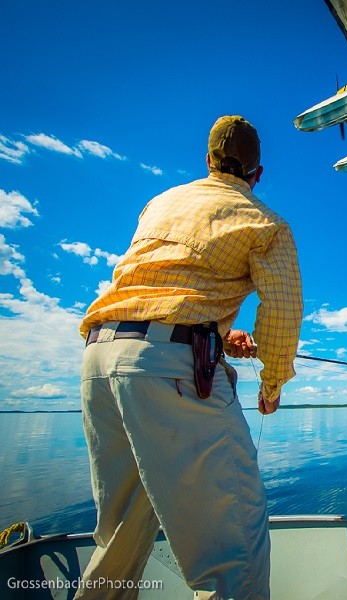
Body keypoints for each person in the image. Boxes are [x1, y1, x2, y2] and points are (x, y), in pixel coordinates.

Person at [76, 115, 303, 599]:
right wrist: (272, 385)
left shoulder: (160, 203)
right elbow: (282, 312)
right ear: (258, 175)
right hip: (171, 373)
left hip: (99, 360)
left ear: (206, 161)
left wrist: (218, 337)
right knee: (233, 558)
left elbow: (168, 291)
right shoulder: (265, 222)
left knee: (117, 540)